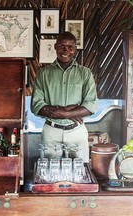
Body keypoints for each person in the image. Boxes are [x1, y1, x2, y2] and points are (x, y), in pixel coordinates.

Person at [31, 31, 97, 163]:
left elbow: (91, 106)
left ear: (75, 49)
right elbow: (36, 105)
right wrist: (72, 111)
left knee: (80, 173)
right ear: (55, 47)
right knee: (49, 172)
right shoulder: (43, 73)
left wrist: (64, 114)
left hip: (76, 131)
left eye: (70, 47)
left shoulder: (85, 73)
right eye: (61, 46)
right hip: (51, 131)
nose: (65, 50)